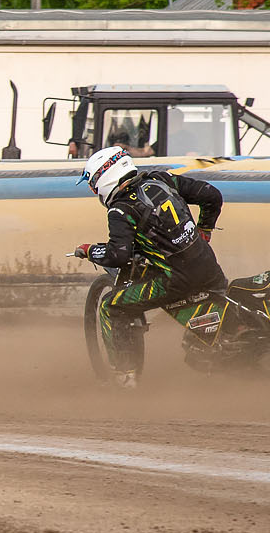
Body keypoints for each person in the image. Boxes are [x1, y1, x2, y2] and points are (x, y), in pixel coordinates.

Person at [72, 144, 225, 388]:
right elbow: (212, 195)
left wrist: (91, 250)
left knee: (112, 306)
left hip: (176, 279)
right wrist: (204, 229)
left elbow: (118, 255)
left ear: (103, 179)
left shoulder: (121, 209)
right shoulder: (161, 180)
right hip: (208, 264)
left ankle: (124, 378)